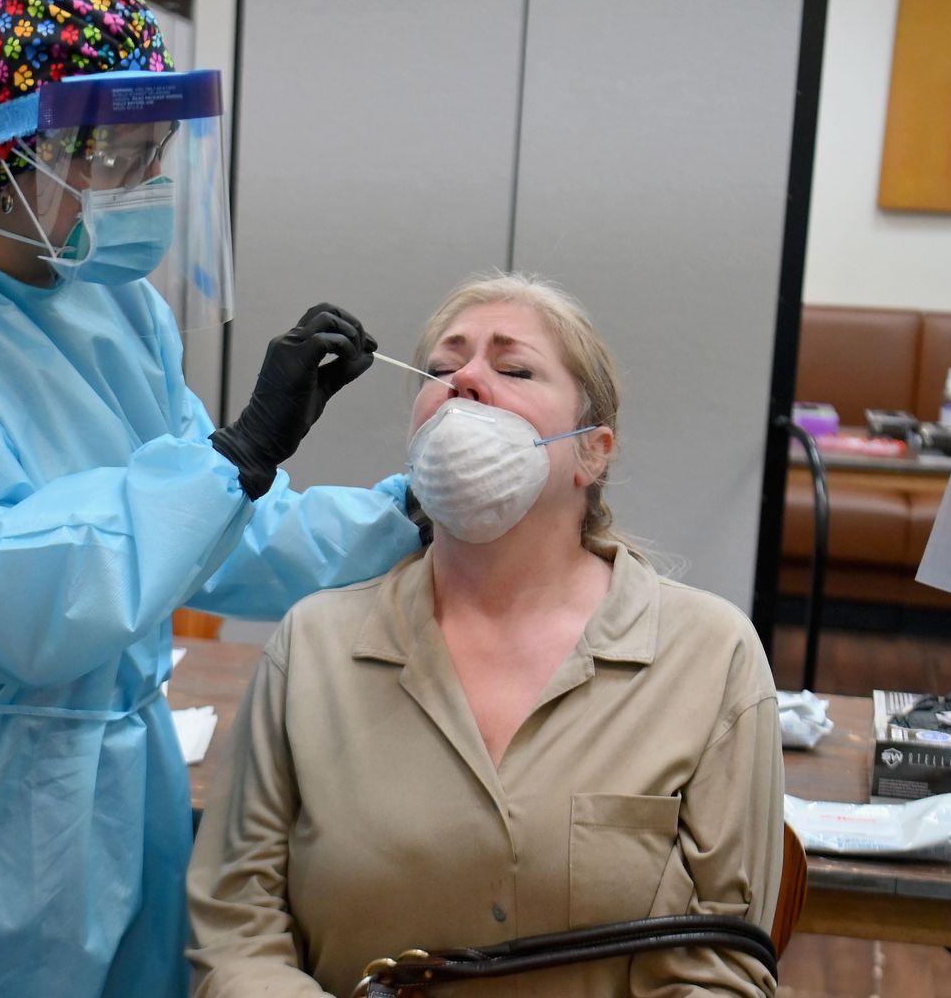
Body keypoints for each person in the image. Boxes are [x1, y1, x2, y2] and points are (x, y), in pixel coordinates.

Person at [0, 0, 423, 997]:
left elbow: (218, 534)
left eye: (154, 153)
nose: (140, 183)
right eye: (114, 154)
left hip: (109, 807)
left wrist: (410, 516)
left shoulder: (112, 307)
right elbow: (11, 597)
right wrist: (231, 459)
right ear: (2, 149)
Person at [186, 274, 784, 997]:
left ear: (592, 452)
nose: (463, 380)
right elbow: (236, 930)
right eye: (440, 370)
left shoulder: (709, 656)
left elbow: (723, 957)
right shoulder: (313, 648)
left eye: (513, 368)